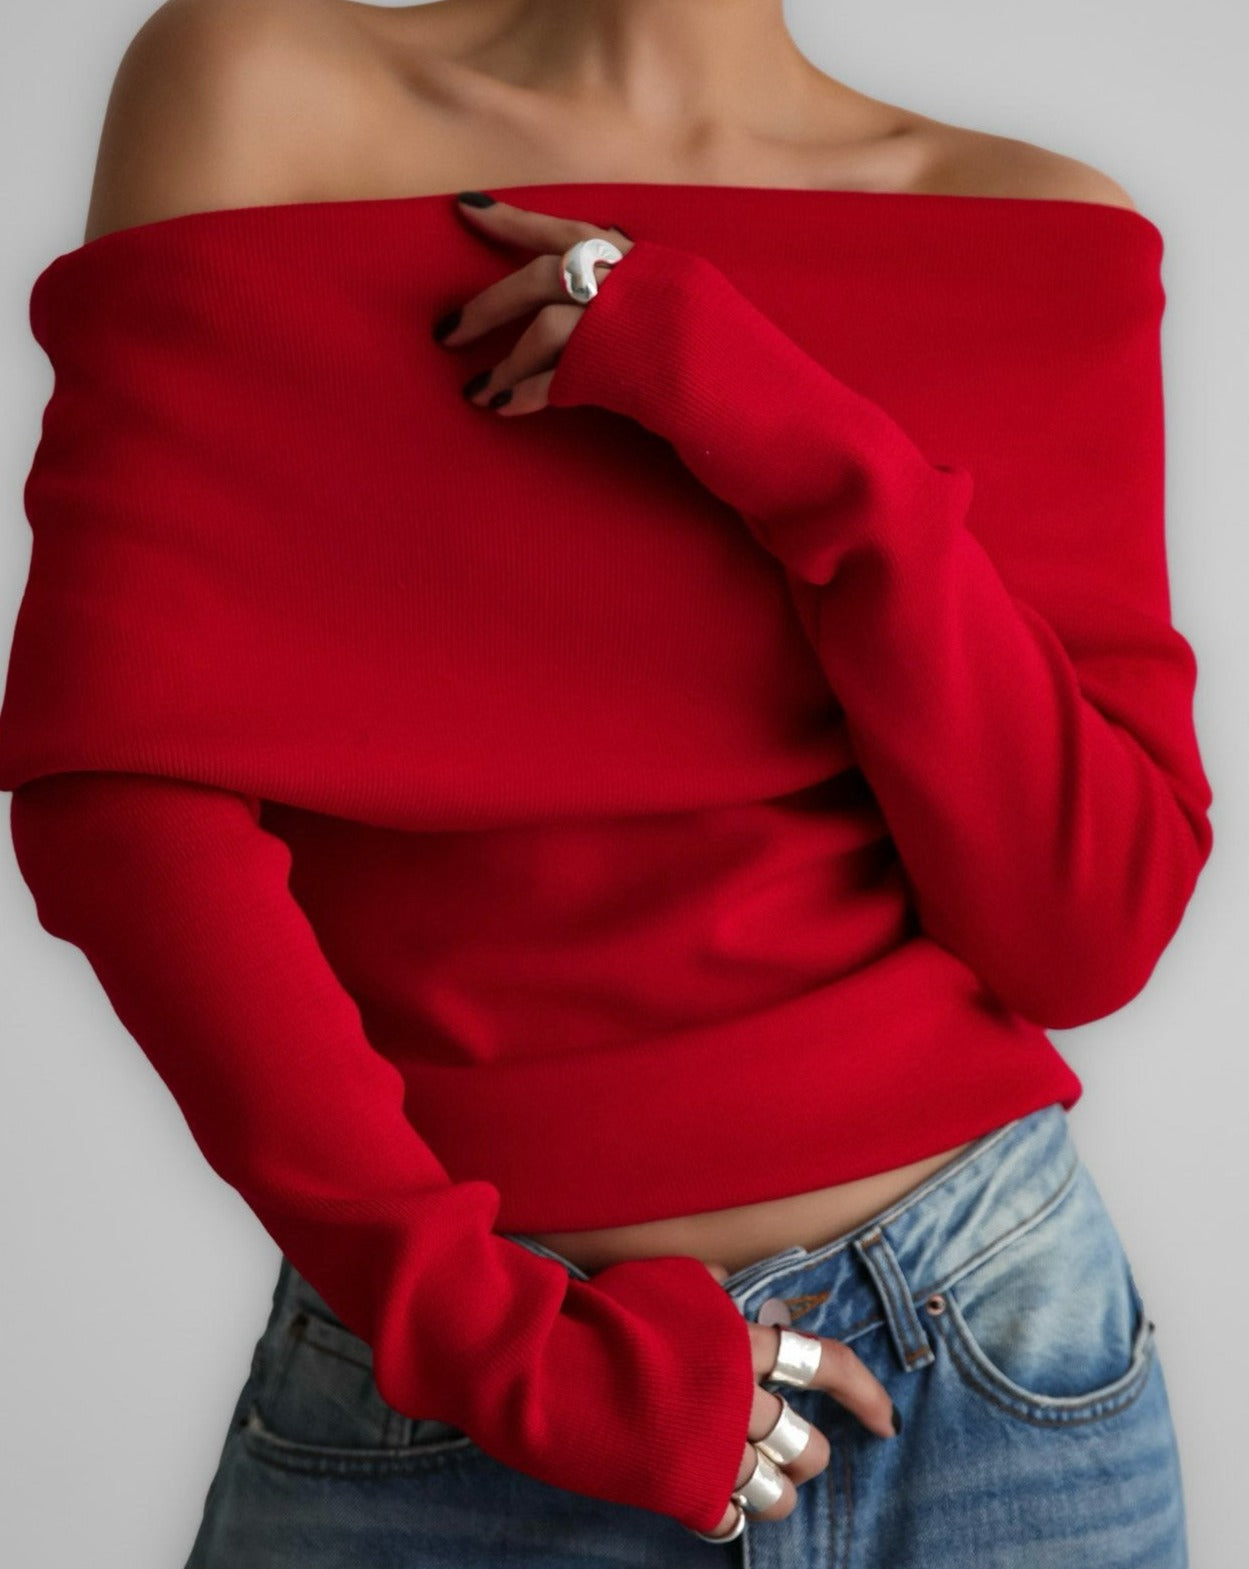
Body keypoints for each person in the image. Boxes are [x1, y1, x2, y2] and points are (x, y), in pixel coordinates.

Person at [0, 0, 1212, 1563]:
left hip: (984, 1353)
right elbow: (120, 813)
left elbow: (1085, 925)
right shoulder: (253, 90)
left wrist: (781, 426)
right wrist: (501, 1345)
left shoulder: (1037, 231)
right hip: (464, 1389)